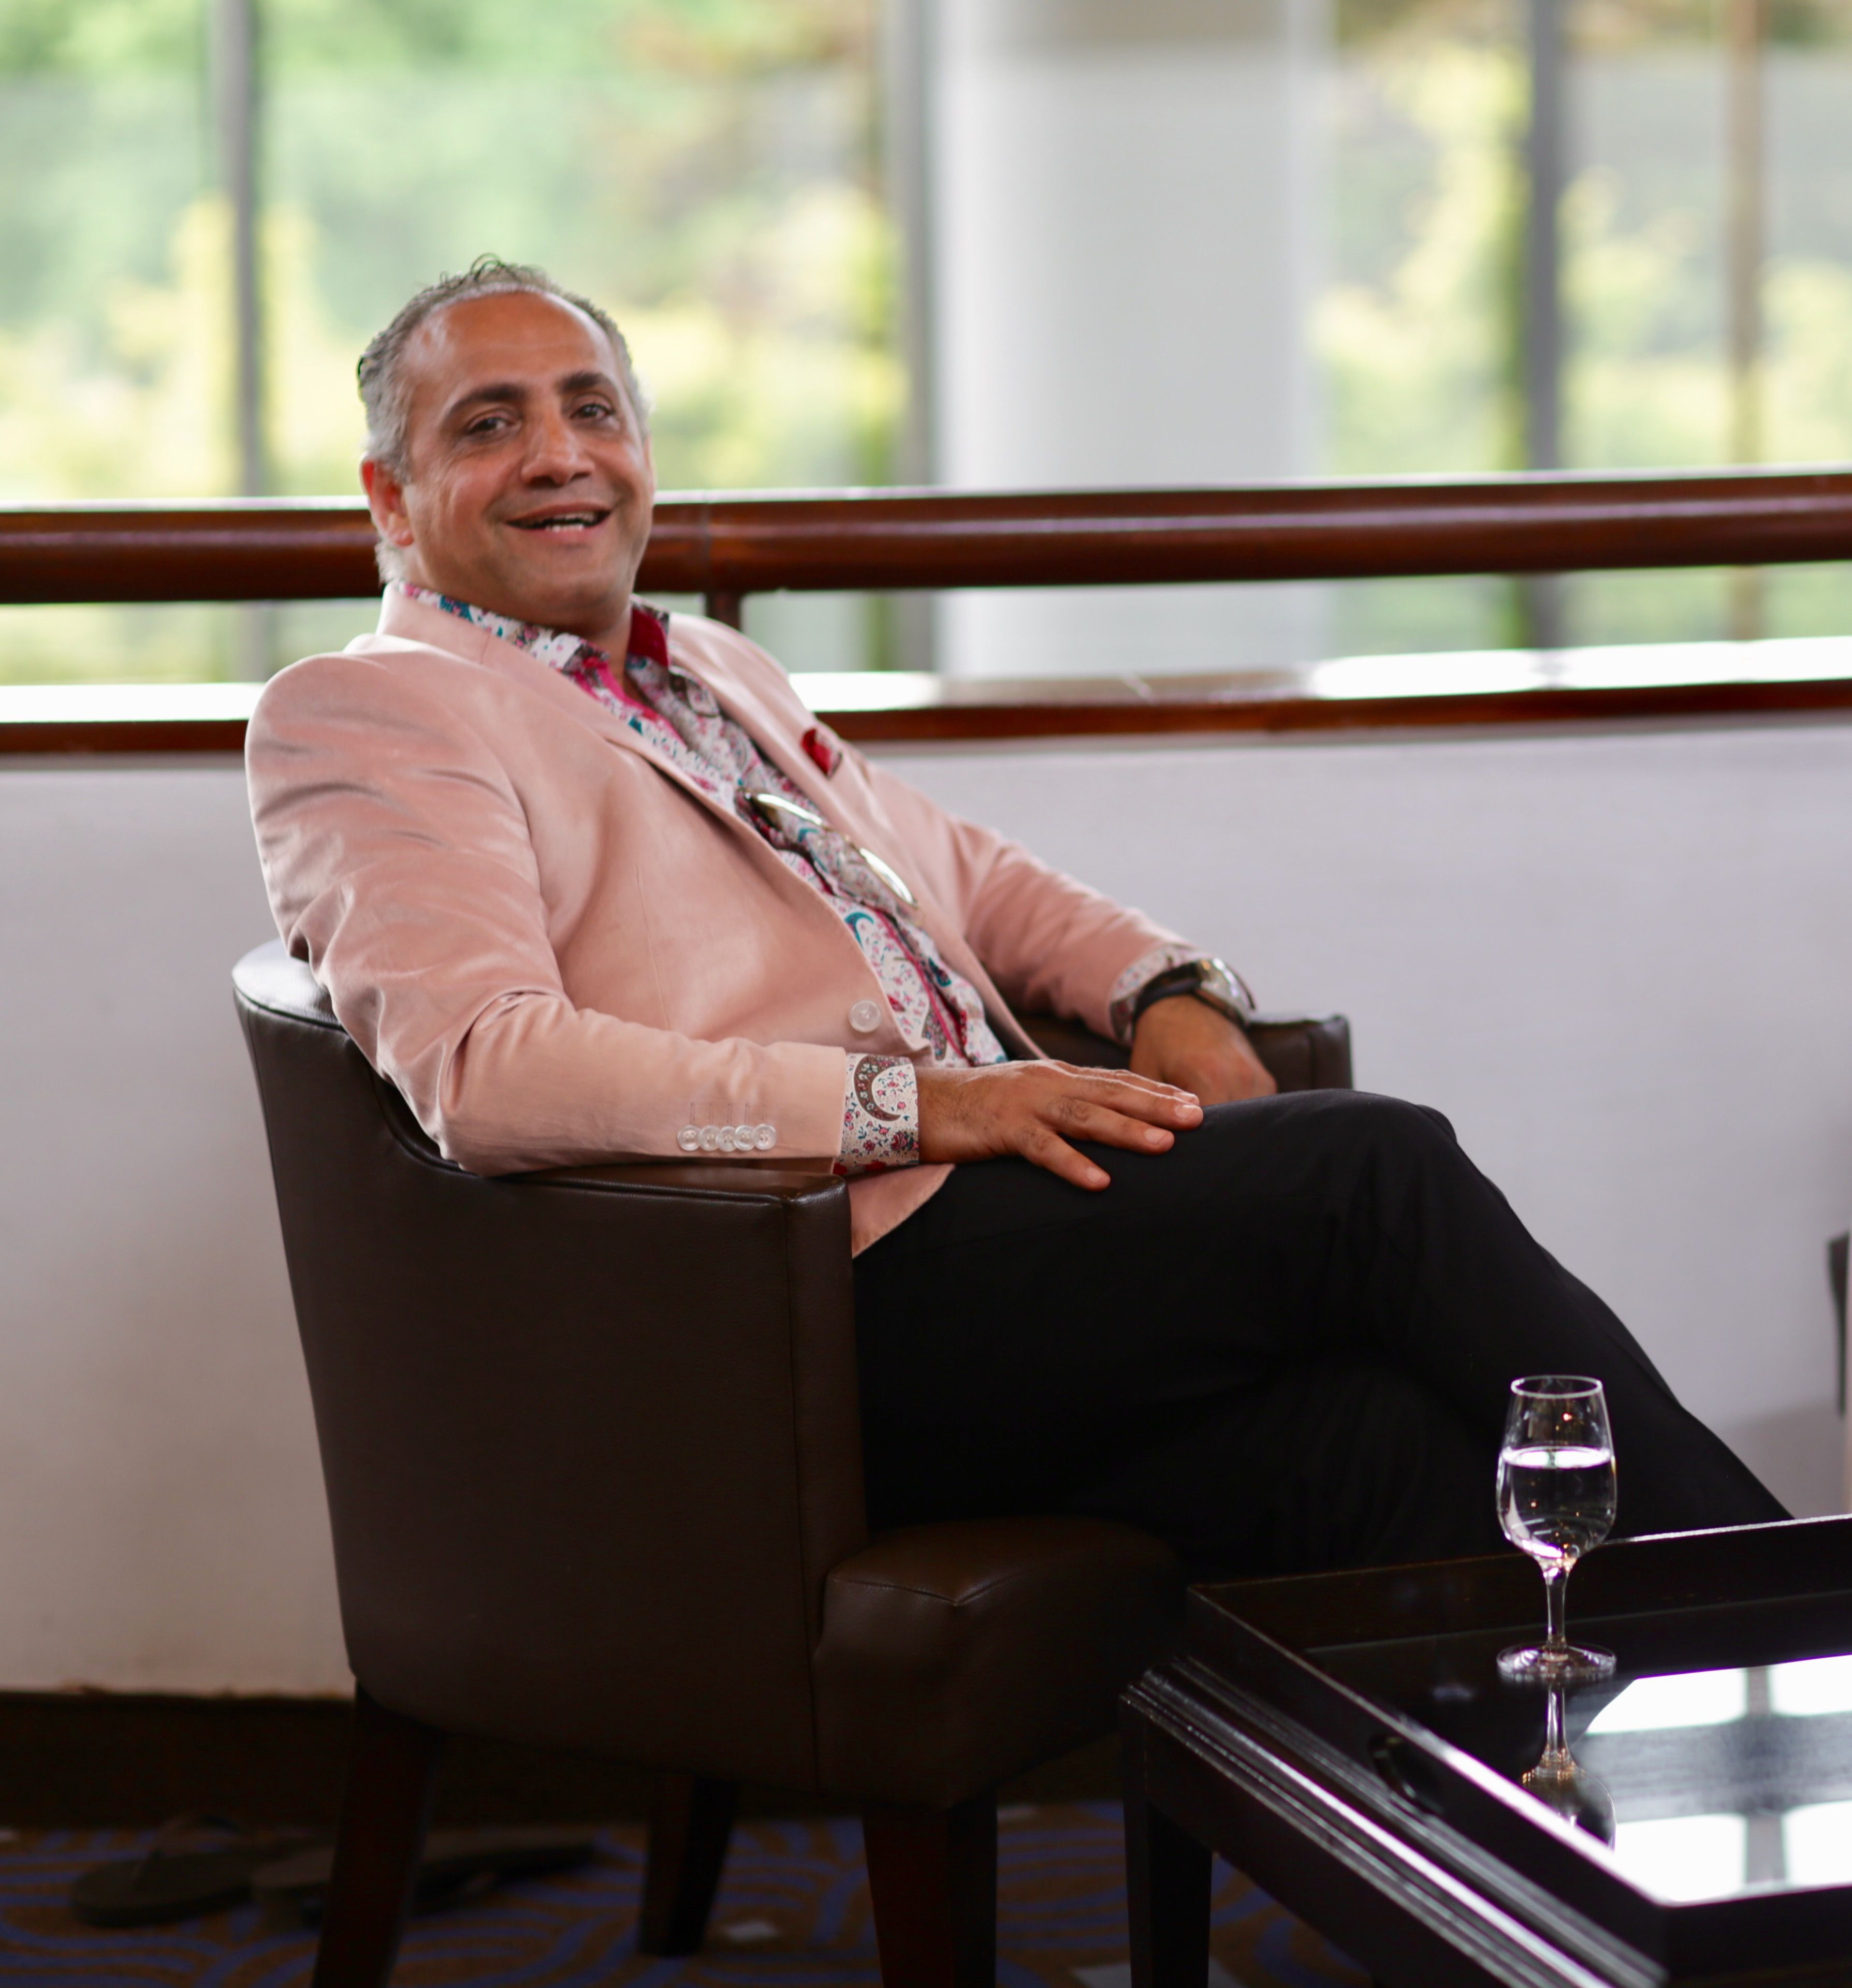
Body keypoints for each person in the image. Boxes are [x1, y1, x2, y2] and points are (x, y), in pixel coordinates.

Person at [246, 258, 1786, 1578]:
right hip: (793, 1306)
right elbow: (488, 1074)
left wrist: (1164, 987)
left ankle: (1581, 1812)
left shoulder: (707, 668)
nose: (559, 455)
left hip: (995, 1272)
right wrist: (926, 1104)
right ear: (391, 497)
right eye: (488, 424)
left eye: (593, 409)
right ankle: (1789, 1616)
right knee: (1370, 1170)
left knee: (1382, 1444)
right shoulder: (374, 711)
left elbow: (965, 877)